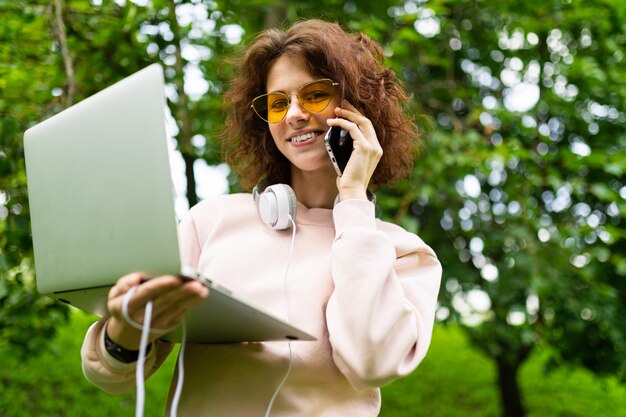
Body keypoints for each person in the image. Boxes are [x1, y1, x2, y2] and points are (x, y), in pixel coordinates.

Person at [81, 19, 442, 417]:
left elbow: (370, 363)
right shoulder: (212, 222)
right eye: (278, 102)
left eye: (316, 95)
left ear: (359, 109)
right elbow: (109, 376)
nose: (295, 115)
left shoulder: (404, 253)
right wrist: (125, 332)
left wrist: (354, 198)